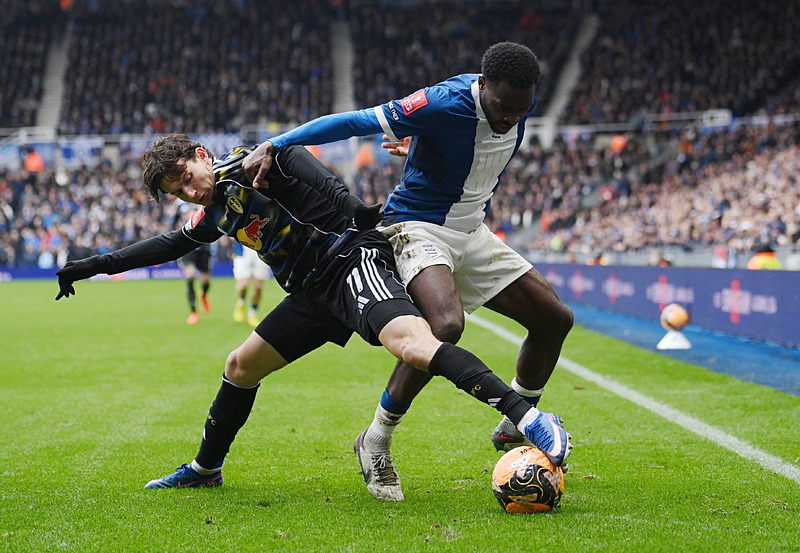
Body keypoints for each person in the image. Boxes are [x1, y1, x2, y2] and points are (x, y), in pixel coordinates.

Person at [55, 133, 571, 502]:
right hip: (312, 293)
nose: (191, 192)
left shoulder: (250, 165)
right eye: (179, 192)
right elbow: (164, 246)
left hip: (350, 260)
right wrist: (87, 267)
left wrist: (350, 205)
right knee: (240, 365)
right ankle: (205, 468)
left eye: (187, 178)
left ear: (200, 155)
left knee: (416, 344)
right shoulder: (214, 210)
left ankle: (528, 418)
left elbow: (296, 157)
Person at [243, 42, 575, 491]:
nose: (512, 117)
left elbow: (473, 154)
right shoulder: (443, 102)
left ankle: (517, 423)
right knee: (444, 325)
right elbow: (354, 121)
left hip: (471, 231)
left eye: (523, 108)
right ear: (481, 87)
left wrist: (426, 146)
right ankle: (376, 440)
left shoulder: (509, 101)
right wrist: (277, 143)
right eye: (503, 107)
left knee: (555, 318)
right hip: (416, 226)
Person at [174, 200, 212, 324]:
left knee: (206, 281)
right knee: (190, 276)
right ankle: (193, 312)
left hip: (203, 246)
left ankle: (204, 293)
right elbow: (174, 223)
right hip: (187, 246)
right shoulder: (179, 204)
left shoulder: (201, 197)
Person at [232, 242, 270, 326]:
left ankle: (252, 312)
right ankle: (241, 302)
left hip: (261, 253)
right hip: (243, 254)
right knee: (243, 286)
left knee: (258, 287)